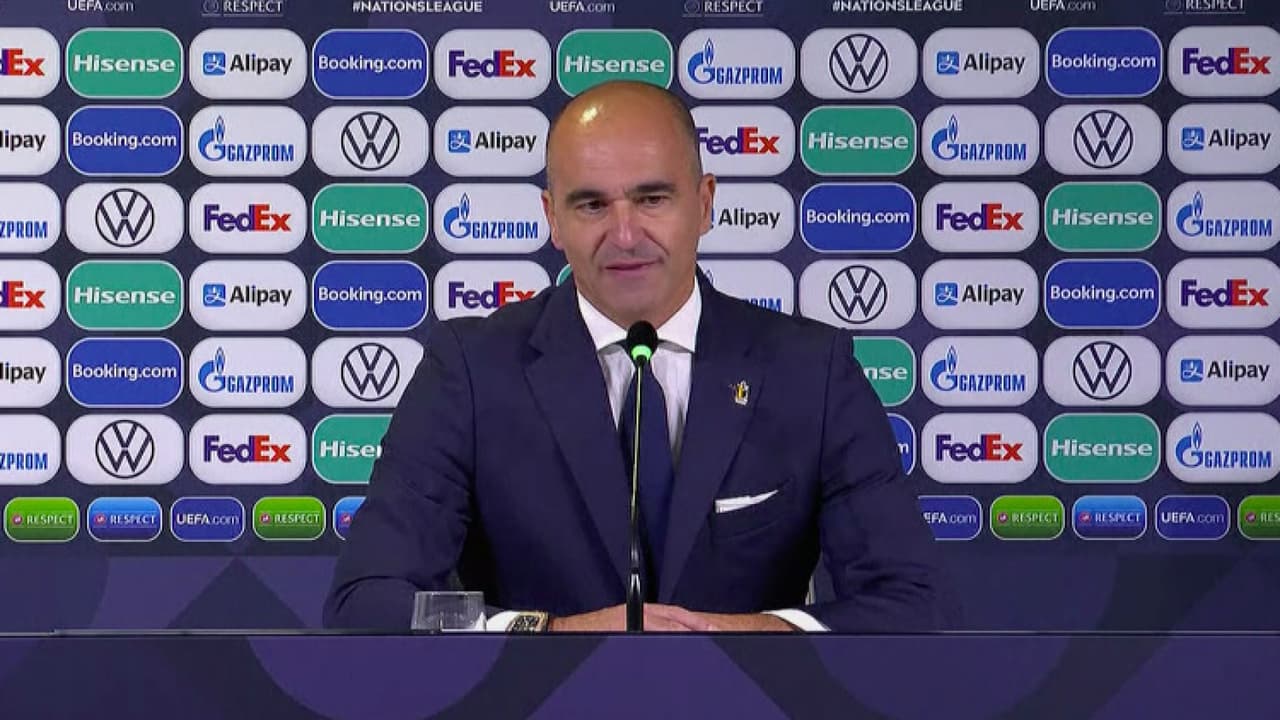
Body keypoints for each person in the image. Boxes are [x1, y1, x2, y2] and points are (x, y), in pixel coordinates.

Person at [324, 80, 956, 632]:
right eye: (592, 204)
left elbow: (910, 602)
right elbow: (368, 602)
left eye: (652, 199)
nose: (625, 235)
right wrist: (549, 633)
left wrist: (740, 637)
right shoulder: (470, 371)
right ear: (552, 218)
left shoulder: (811, 372)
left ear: (704, 204)